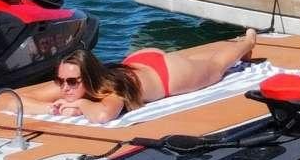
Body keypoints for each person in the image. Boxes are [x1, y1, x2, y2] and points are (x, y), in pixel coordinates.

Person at [45, 30, 260, 122]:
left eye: (72, 82)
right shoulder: (78, 83)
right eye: (60, 80)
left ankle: (248, 41)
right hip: (137, 62)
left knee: (216, 67)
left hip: (167, 75)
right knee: (204, 63)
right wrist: (51, 107)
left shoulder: (113, 90)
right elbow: (13, 100)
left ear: (89, 78)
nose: (64, 87)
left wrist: (80, 104)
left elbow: (103, 116)